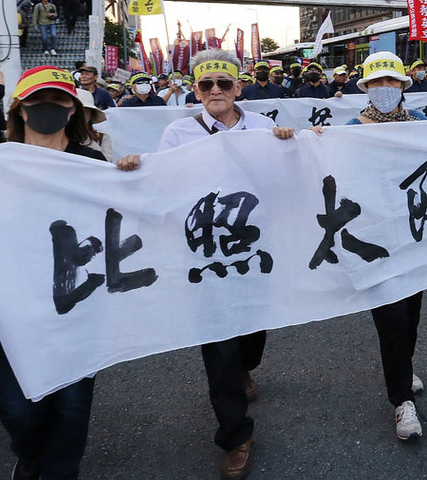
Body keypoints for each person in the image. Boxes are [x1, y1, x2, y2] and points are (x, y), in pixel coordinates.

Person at [116, 50, 298, 479]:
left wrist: (290, 145)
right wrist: (134, 167)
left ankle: (246, 368)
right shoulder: (179, 132)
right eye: (205, 85)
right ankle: (235, 436)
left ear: (239, 87)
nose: (215, 91)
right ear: (195, 91)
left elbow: (287, 178)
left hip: (255, 248)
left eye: (223, 83)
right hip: (203, 250)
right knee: (217, 343)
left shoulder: (264, 127)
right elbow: (161, 180)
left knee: (252, 334)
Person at [0, 66, 105, 479]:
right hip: (11, 307)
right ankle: (30, 454)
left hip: (78, 307)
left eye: (58, 100)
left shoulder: (93, 163)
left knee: (72, 407)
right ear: (19, 110)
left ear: (73, 109)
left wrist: (131, 174)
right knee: (17, 409)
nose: (47, 108)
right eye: (37, 101)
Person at [342, 52, 427, 440]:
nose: (385, 89)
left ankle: (404, 366)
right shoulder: (349, 129)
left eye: (392, 83)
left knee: (410, 314)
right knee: (391, 319)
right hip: (373, 238)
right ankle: (401, 402)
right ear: (365, 88)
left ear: (403, 88)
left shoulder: (423, 125)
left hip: (414, 235)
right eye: (377, 83)